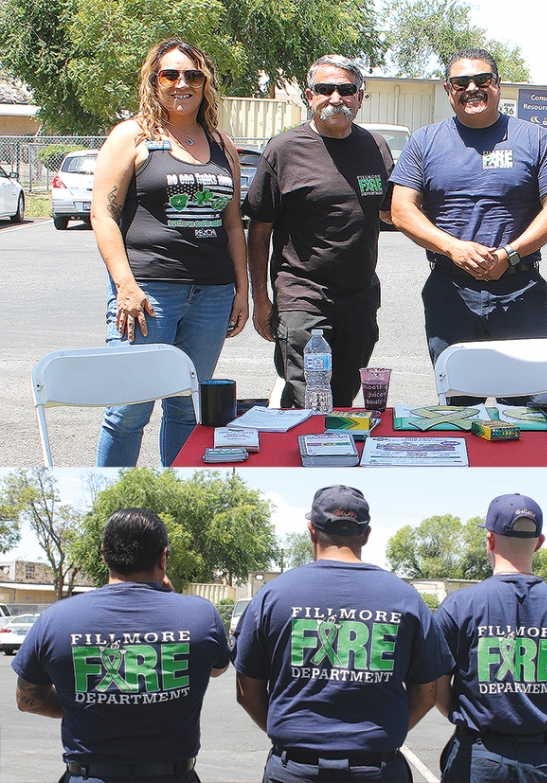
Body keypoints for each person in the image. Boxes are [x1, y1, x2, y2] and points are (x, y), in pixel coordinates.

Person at [92, 39, 249, 466]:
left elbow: (233, 223)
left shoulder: (221, 143)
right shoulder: (133, 135)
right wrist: (125, 286)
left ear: (206, 84)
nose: (182, 83)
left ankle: (172, 496)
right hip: (148, 295)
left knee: (186, 408)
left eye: (193, 76)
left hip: (212, 296)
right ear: (153, 80)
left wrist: (242, 290)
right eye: (170, 74)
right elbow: (103, 216)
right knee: (129, 408)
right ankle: (112, 504)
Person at [232, 485, 454, 782]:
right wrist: (378, 736)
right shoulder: (405, 598)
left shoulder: (273, 596)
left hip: (295, 770)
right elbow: (426, 694)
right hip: (378, 770)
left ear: (312, 530)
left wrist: (293, 735)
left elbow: (248, 691)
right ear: (366, 534)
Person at [390, 48, 547, 402]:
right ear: (448, 89)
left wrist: (511, 253)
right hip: (450, 293)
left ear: (498, 85)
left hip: (521, 291)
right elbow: (402, 210)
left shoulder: (534, 139)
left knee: (534, 405)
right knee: (460, 409)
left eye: (482, 79)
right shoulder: (424, 142)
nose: (472, 88)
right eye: (461, 82)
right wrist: (454, 248)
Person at [12, 508, 229, 783]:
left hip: (89, 777)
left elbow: (27, 700)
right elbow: (217, 669)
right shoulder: (201, 616)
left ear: (104, 554)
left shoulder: (55, 619)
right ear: (163, 557)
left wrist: (81, 702)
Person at [245, 55, 394, 409]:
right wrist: (261, 299)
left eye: (346, 90)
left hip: (359, 299)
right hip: (303, 297)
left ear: (360, 96)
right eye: (325, 89)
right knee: (310, 398)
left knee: (342, 397)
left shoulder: (376, 147)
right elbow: (259, 228)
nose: (336, 98)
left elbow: (391, 213)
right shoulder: (283, 150)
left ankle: (330, 459)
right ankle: (303, 458)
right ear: (309, 95)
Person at [435, 494, 547, 783]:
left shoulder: (460, 605)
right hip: (538, 761)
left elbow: (436, 688)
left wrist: (467, 713)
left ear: (490, 540)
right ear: (539, 542)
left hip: (476, 755)